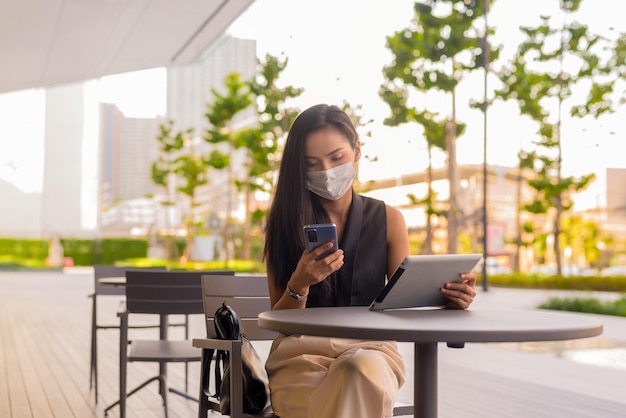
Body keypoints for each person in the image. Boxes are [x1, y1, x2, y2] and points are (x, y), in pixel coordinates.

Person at [263, 104, 477, 418]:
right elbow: (279, 323)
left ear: (356, 151)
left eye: (336, 158)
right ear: (299, 168)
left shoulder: (388, 219)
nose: (326, 171)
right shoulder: (283, 223)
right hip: (301, 356)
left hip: (371, 351)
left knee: (358, 371)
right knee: (354, 388)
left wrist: (451, 298)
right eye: (312, 164)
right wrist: (300, 284)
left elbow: (409, 298)